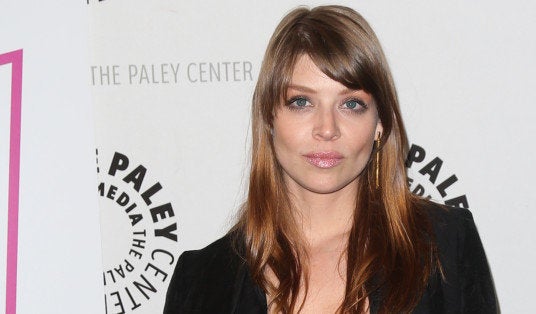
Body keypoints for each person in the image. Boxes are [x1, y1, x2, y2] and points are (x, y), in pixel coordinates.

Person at [164, 5, 498, 314]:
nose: (327, 129)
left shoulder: (444, 247)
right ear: (269, 118)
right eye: (301, 102)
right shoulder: (202, 281)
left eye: (351, 104)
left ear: (380, 124)